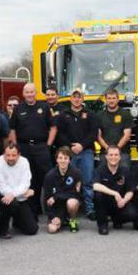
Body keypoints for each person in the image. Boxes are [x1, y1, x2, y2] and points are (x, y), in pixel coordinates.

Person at [9, 83, 57, 216]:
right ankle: (34, 210)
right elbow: (12, 129)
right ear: (23, 94)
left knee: (47, 178)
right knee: (29, 179)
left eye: (32, 92)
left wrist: (48, 145)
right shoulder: (18, 109)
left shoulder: (45, 107)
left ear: (36, 93)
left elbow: (53, 127)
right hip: (24, 148)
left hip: (41, 147)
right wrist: (16, 146)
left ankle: (51, 209)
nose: (29, 94)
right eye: (27, 92)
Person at [55, 88, 98, 219]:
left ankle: (89, 209)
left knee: (88, 181)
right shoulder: (63, 115)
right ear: (70, 99)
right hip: (69, 153)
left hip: (86, 152)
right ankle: (68, 209)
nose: (77, 99)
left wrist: (82, 145)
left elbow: (93, 133)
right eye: (74, 97)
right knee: (68, 181)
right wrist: (71, 147)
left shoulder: (90, 114)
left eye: (79, 97)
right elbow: (60, 134)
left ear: (83, 98)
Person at [0, 144, 39, 238]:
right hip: (4, 198)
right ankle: (2, 229)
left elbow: (25, 183)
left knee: (32, 229)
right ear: (4, 154)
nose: (10, 158)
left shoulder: (24, 161)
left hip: (19, 198)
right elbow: (1, 186)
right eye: (7, 155)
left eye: (14, 155)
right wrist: (16, 193)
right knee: (10, 202)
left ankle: (17, 222)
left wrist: (13, 194)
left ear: (19, 154)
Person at [92, 146, 138, 235]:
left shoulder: (125, 170)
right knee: (98, 195)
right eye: (111, 155)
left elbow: (130, 190)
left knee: (133, 215)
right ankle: (102, 225)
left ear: (120, 157)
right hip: (105, 203)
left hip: (119, 203)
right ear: (106, 156)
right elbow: (95, 185)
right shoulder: (100, 169)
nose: (113, 157)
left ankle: (117, 219)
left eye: (116, 155)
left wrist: (124, 200)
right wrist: (115, 193)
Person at [43, 147, 82, 233]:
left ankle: (72, 220)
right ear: (56, 159)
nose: (63, 161)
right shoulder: (49, 176)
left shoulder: (76, 173)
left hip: (68, 205)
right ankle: (61, 220)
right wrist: (53, 217)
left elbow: (76, 194)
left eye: (66, 158)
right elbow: (46, 199)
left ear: (69, 160)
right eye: (60, 158)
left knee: (72, 202)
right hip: (56, 209)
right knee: (52, 230)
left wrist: (56, 196)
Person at [97, 88, 134, 168]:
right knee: (103, 179)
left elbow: (127, 136)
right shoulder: (99, 115)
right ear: (105, 100)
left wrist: (116, 150)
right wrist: (108, 149)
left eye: (114, 98)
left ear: (118, 99)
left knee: (124, 178)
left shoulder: (126, 114)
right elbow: (98, 136)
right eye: (109, 98)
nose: (111, 101)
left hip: (123, 153)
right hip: (105, 153)